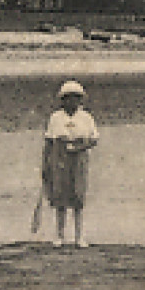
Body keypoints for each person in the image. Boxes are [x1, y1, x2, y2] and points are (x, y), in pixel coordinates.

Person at [42, 81, 99, 247]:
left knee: (78, 196)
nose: (72, 102)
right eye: (68, 98)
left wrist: (79, 148)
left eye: (75, 98)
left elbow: (94, 139)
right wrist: (46, 164)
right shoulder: (55, 117)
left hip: (79, 158)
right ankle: (59, 236)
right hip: (60, 158)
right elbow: (49, 142)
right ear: (63, 100)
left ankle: (79, 237)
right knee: (60, 196)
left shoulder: (86, 117)